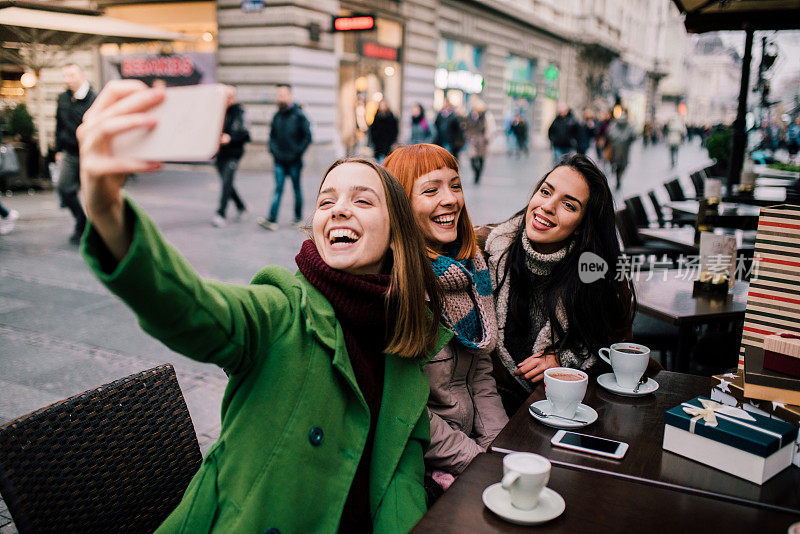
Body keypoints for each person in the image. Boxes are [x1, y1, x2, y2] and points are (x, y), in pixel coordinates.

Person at [76, 79, 449, 533]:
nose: (338, 210)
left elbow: (399, 483)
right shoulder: (280, 309)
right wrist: (105, 207)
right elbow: (190, 306)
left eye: (362, 200)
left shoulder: (407, 339)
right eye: (326, 201)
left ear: (395, 233)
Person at [384, 143, 507, 490]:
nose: (451, 199)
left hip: (471, 453)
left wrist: (500, 449)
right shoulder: (397, 287)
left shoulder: (471, 270)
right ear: (401, 206)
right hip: (419, 465)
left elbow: (481, 375)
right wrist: (478, 463)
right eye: (430, 189)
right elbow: (410, 411)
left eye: (455, 185)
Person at [481, 154, 634, 414]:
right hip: (493, 414)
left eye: (569, 205)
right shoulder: (485, 250)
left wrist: (564, 360)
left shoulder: (598, 279)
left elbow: (615, 356)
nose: (547, 206)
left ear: (581, 226)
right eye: (545, 192)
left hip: (566, 416)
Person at [258, 84, 312, 231]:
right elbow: (272, 137)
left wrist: (297, 152)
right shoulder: (276, 116)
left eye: (282, 94)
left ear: (290, 96)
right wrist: (274, 152)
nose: (280, 97)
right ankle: (272, 219)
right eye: (278, 94)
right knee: (278, 189)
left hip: (294, 161)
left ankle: (298, 217)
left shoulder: (299, 115)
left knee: (296, 189)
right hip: (279, 161)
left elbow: (307, 137)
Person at [55, 63, 96, 244]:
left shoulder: (94, 98)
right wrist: (57, 150)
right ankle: (82, 221)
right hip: (70, 152)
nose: (67, 80)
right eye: (65, 76)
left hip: (90, 153)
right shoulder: (63, 98)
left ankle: (95, 232)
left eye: (71, 75)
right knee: (64, 189)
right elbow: (59, 125)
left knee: (91, 195)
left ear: (82, 75)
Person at [211, 88, 250, 228]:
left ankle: (220, 213)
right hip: (220, 153)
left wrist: (230, 138)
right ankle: (241, 206)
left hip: (233, 154)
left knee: (226, 182)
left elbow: (246, 135)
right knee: (227, 183)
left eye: (228, 97)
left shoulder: (239, 113)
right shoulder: (219, 112)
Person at [606, 110, 636, 190]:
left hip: (618, 150)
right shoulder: (627, 127)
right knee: (621, 166)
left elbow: (610, 134)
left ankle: (617, 177)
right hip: (622, 151)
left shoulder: (615, 125)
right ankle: (618, 177)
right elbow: (633, 137)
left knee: (618, 165)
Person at [464, 99, 489, 184]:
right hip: (472, 140)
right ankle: (476, 171)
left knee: (481, 158)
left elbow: (489, 128)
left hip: (482, 140)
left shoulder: (485, 117)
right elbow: (467, 126)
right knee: (472, 157)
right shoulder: (470, 116)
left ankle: (479, 174)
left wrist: (487, 138)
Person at [368, 100, 398, 164]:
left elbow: (394, 131)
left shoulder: (391, 118)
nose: (383, 107)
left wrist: (392, 142)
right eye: (381, 105)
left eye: (384, 105)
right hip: (378, 145)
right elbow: (372, 131)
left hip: (388, 145)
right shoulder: (376, 117)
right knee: (378, 162)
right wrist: (374, 141)